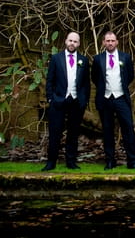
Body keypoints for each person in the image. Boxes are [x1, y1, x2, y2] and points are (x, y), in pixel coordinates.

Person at [91, 31, 135, 170]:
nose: (110, 43)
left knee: (128, 129)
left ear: (117, 42)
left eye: (112, 40)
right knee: (107, 131)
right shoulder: (98, 59)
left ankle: (132, 161)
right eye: (107, 41)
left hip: (121, 98)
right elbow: (95, 78)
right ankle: (110, 161)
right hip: (105, 99)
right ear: (103, 42)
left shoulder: (125, 57)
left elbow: (130, 76)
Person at [41, 32, 90, 171]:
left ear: (79, 44)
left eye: (75, 41)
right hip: (58, 100)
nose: (72, 43)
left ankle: (71, 162)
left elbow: (86, 83)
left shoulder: (83, 60)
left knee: (73, 134)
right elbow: (49, 80)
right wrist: (50, 98)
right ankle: (51, 163)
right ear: (65, 41)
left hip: (76, 101)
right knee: (55, 133)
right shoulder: (56, 58)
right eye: (70, 40)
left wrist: (84, 100)